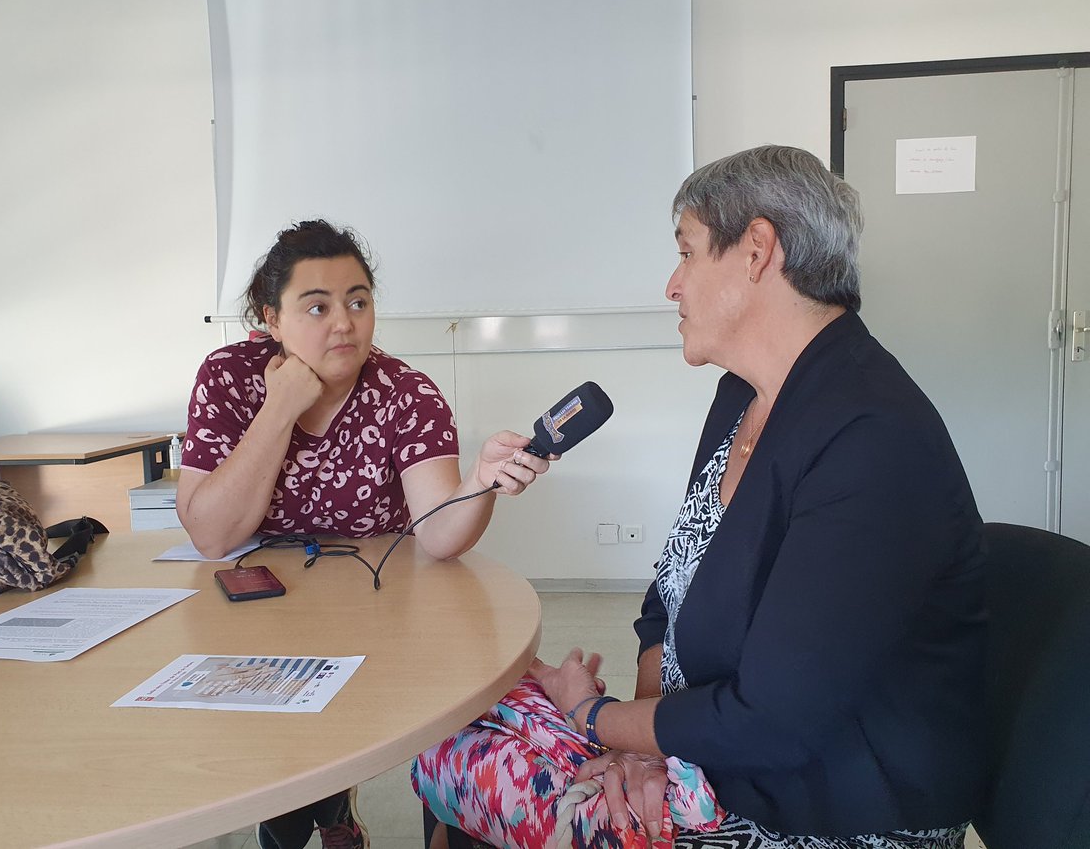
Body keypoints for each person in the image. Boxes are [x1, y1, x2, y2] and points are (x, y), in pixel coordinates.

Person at [424, 146, 988, 849]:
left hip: (823, 809)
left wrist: (597, 716)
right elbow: (669, 604)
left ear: (756, 251)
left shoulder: (871, 439)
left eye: (686, 253)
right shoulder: (743, 397)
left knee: (462, 764)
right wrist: (641, 743)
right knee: (456, 716)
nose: (671, 284)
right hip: (715, 753)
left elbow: (775, 721)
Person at [176, 219, 552, 849]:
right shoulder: (230, 377)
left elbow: (437, 534)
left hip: (373, 607)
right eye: (316, 307)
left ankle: (316, 809)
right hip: (255, 606)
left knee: (354, 712)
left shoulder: (405, 393)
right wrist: (280, 407)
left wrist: (482, 480)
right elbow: (211, 535)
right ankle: (311, 809)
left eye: (357, 301)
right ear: (269, 318)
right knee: (261, 721)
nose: (344, 323)